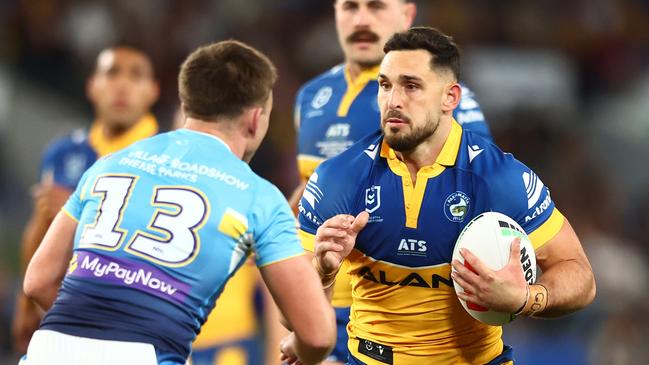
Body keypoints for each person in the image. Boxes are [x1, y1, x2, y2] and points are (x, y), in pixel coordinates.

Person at [21, 40, 336, 365]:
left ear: (186, 107)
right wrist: (298, 349)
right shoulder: (259, 196)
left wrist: (92, 330)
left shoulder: (110, 163)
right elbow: (317, 335)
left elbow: (38, 280)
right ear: (256, 119)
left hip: (48, 349)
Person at [298, 27, 596, 364]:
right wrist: (323, 273)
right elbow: (291, 317)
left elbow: (580, 276)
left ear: (450, 98)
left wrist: (526, 298)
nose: (393, 100)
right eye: (385, 85)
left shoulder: (497, 178)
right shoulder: (339, 177)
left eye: (411, 86)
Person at [291, 1, 492, 363]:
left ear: (407, 15)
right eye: (350, 7)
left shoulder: (434, 100)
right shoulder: (310, 96)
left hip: (399, 321)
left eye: (376, 7)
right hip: (319, 302)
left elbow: (477, 190)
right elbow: (313, 189)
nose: (362, 20)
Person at [12, 44, 160, 354]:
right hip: (65, 314)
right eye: (111, 73)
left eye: (135, 76)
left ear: (153, 92)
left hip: (140, 322)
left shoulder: (168, 157)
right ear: (92, 87)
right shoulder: (65, 153)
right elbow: (40, 228)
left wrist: (81, 210)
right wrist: (24, 306)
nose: (121, 84)